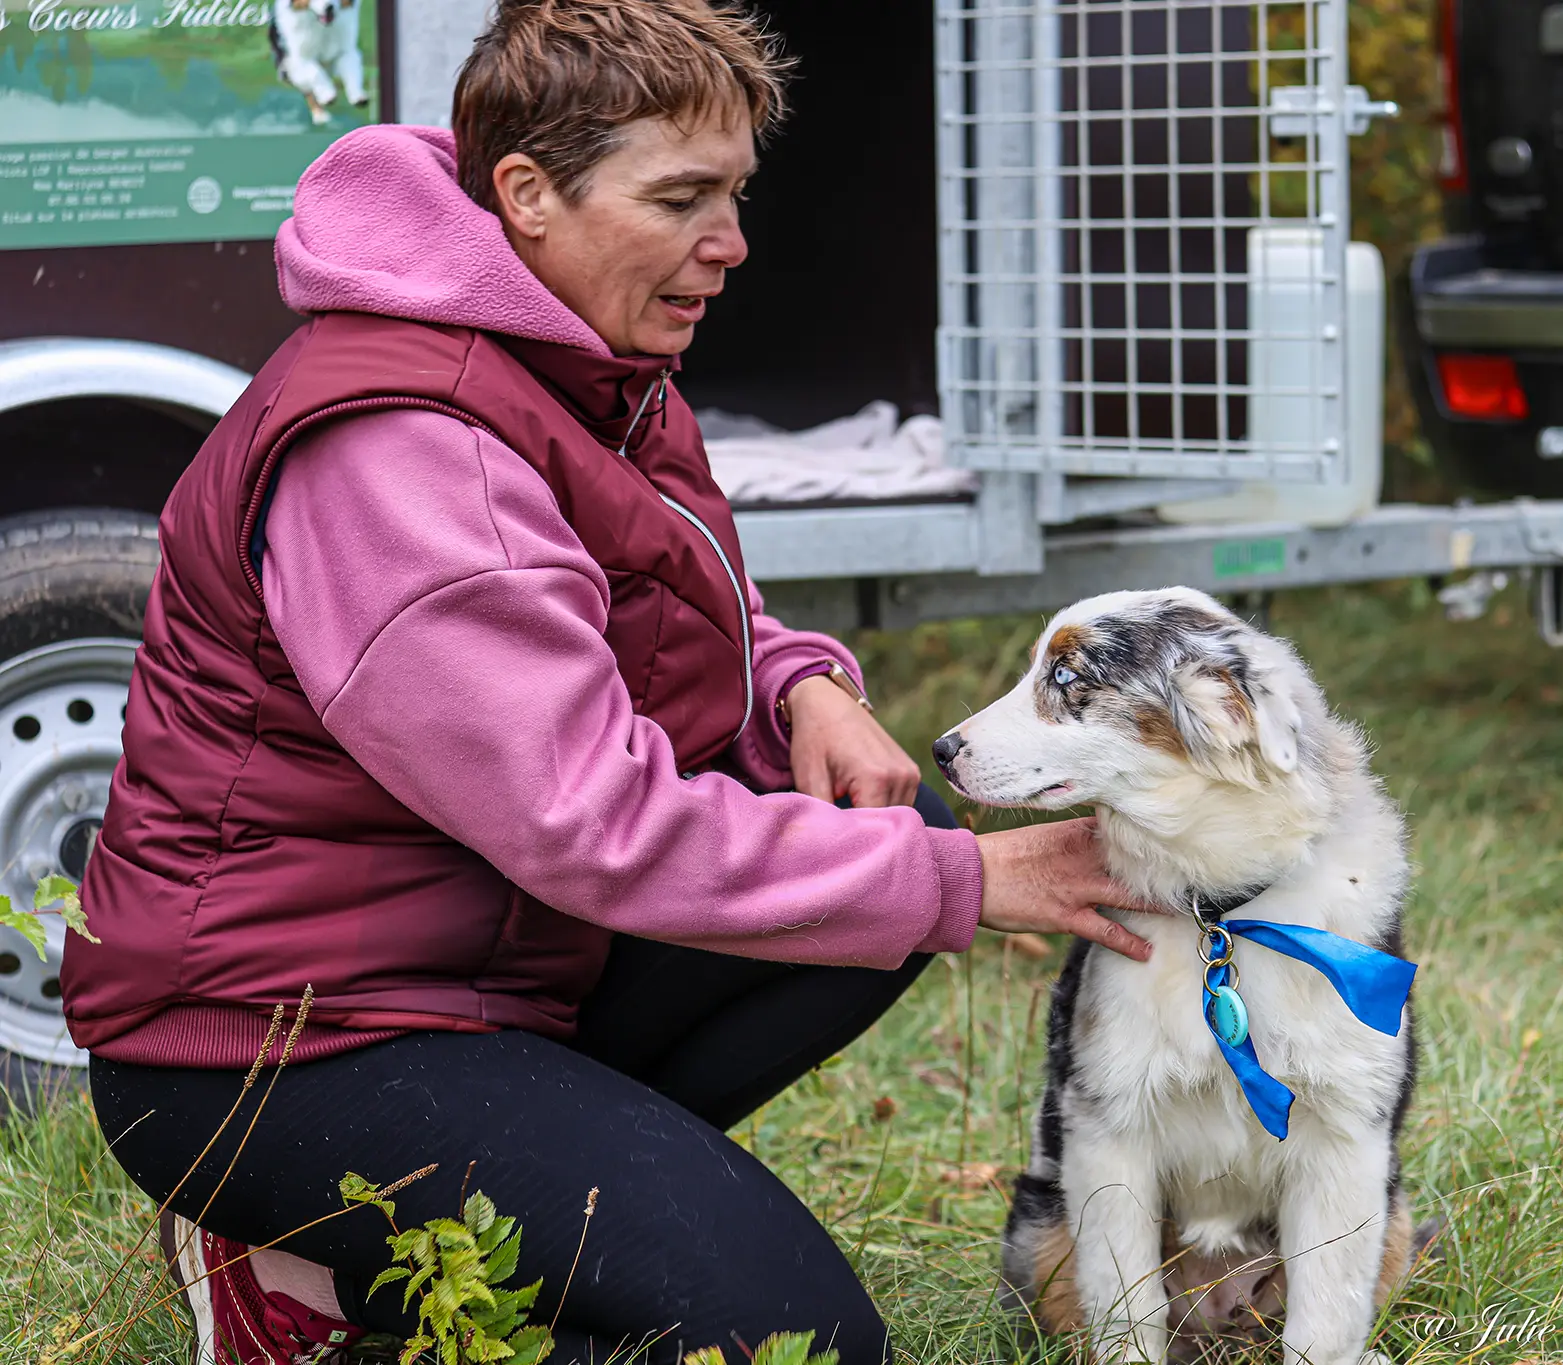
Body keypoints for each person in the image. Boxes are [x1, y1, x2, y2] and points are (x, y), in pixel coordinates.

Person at [59, 3, 1158, 1360]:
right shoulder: (408, 454)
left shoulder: (581, 352)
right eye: (682, 197)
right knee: (784, 1345)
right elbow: (590, 818)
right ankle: (314, 1294)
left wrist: (802, 684)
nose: (731, 243)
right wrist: (976, 885)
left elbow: (671, 590)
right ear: (525, 194)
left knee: (892, 838)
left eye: (737, 194)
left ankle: (371, 1250)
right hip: (276, 1041)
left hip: (479, 957)